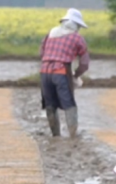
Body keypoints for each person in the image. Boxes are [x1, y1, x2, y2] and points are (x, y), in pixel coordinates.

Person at [39, 8, 90, 138]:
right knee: (69, 104)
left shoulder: (50, 34)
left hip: (44, 72)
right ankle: (73, 136)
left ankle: (55, 135)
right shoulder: (77, 38)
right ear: (76, 25)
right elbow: (84, 64)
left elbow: (42, 53)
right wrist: (76, 75)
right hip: (61, 72)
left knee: (50, 105)